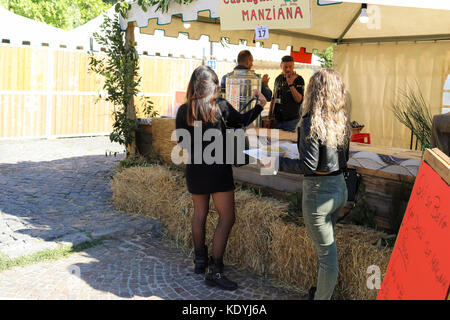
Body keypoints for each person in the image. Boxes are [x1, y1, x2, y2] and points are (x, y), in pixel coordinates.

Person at [175, 65, 267, 291]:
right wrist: (260, 106)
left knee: (200, 214)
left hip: (195, 169)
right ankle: (215, 271)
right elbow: (242, 121)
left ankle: (200, 262)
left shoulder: (183, 111)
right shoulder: (220, 107)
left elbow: (182, 144)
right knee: (227, 218)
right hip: (218, 170)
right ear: (212, 85)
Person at [279, 68, 350, 300]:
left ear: (313, 91)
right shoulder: (340, 121)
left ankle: (322, 296)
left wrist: (276, 162)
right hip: (339, 189)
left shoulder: (312, 122)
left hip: (319, 194)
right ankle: (320, 292)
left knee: (327, 258)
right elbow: (344, 159)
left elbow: (308, 166)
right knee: (326, 252)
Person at [267, 55, 305, 132]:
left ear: (293, 66)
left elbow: (299, 100)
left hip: (292, 122)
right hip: (277, 121)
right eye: (285, 67)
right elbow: (274, 98)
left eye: (290, 66)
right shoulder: (278, 79)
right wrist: (269, 117)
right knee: (276, 143)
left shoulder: (298, 79)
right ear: (281, 66)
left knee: (290, 144)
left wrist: (291, 84)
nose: (288, 69)